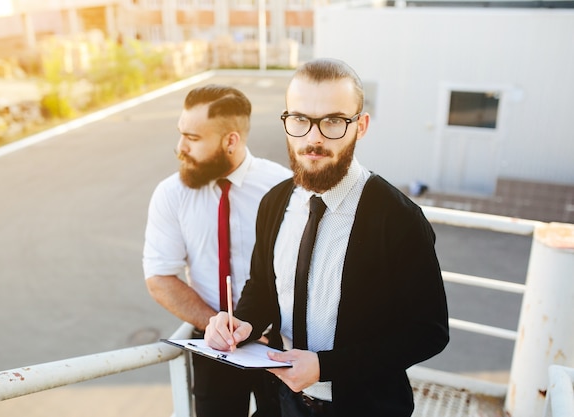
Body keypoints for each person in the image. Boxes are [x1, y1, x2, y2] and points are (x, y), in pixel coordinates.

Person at [204, 58, 450, 416]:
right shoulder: (274, 203)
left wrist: (325, 366)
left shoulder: (400, 219)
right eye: (300, 119)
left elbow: (428, 332)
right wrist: (241, 325)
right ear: (287, 121)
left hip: (364, 408)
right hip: (280, 402)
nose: (314, 138)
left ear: (360, 126)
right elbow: (261, 290)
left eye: (333, 121)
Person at [142, 84, 291, 417]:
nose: (180, 147)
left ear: (231, 141)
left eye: (193, 138)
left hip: (277, 344)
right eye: (181, 134)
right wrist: (217, 326)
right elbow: (159, 278)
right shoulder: (170, 195)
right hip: (212, 345)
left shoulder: (284, 188)